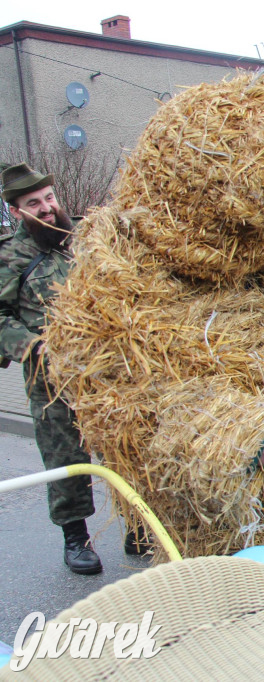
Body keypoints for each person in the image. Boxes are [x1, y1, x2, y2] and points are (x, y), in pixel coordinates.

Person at [0, 163, 101, 575]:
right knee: (65, 455)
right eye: (33, 204)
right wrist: (32, 346)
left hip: (104, 368)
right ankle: (75, 537)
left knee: (124, 448)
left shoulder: (84, 238)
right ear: (16, 211)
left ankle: (138, 524)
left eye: (48, 198)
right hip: (51, 377)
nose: (46, 208)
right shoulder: (11, 255)